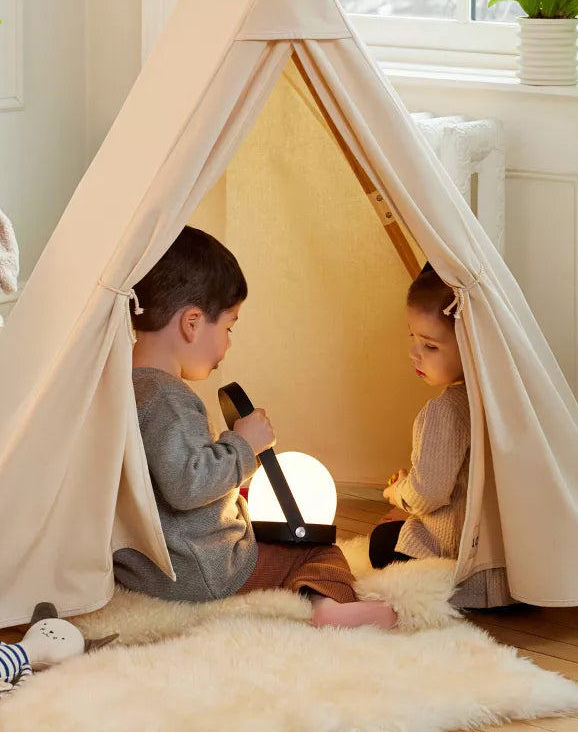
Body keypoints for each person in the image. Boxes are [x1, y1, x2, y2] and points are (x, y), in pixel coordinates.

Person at [113, 226, 397, 629]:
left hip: (142, 567)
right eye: (228, 327)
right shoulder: (168, 397)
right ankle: (328, 608)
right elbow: (187, 484)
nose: (227, 345)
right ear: (192, 323)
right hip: (200, 569)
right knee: (315, 550)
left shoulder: (122, 388)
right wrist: (243, 445)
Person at [368, 263, 511, 609]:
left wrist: (397, 492)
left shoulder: (444, 411)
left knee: (380, 541)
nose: (414, 353)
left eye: (430, 346)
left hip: (465, 564)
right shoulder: (506, 400)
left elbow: (428, 495)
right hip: (513, 564)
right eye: (412, 338)